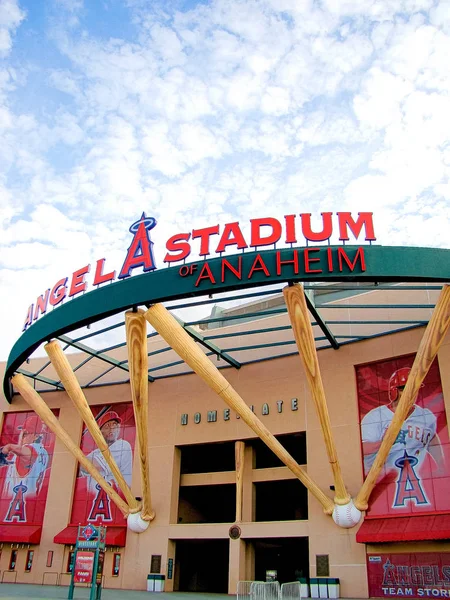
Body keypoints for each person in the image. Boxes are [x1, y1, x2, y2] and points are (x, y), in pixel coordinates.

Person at [361, 367, 444, 476]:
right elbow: (362, 450)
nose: (410, 393)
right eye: (404, 388)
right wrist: (384, 442)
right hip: (381, 480)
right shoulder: (375, 416)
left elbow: (432, 438)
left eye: (414, 388)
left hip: (414, 477)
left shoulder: (425, 415)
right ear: (394, 391)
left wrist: (442, 466)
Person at [80, 411, 132, 494]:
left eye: (114, 425)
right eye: (107, 426)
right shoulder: (95, 453)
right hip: (97, 500)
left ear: (119, 428)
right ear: (100, 431)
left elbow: (93, 465)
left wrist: (78, 461)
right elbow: (79, 470)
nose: (111, 429)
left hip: (120, 498)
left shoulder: (122, 445)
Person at [0, 415, 49, 499]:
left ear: (36, 436)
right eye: (22, 433)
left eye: (25, 434)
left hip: (18, 504)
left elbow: (27, 454)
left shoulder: (34, 449)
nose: (21, 436)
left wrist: (8, 447)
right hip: (27, 499)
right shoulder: (42, 451)